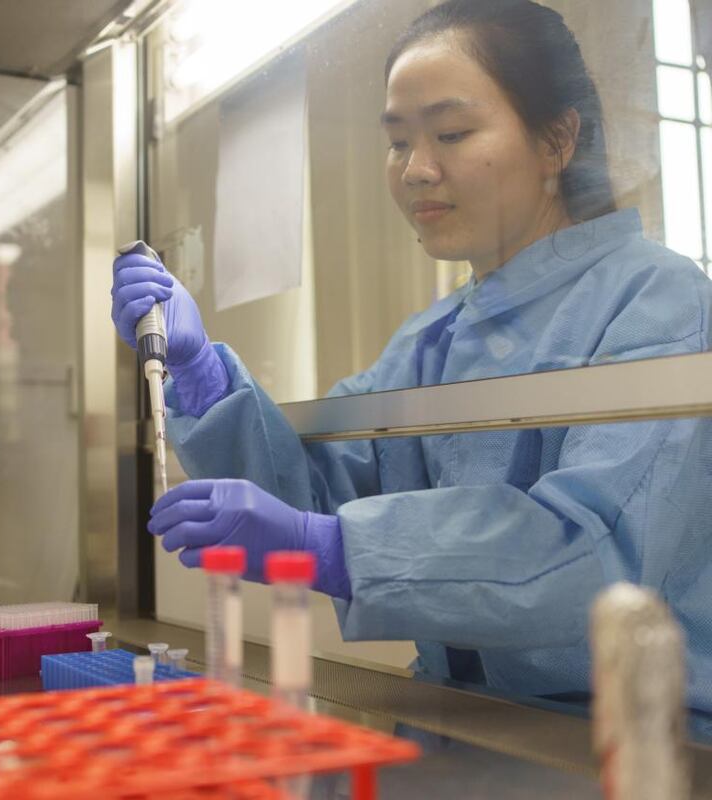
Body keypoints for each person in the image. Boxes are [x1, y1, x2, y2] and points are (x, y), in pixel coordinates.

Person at [111, 0, 712, 709]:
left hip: (641, 747)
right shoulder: (434, 337)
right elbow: (316, 498)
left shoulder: (662, 304)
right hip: (464, 724)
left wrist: (337, 548)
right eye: (398, 142)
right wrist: (200, 373)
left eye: (451, 133)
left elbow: (597, 557)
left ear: (557, 141)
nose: (417, 169)